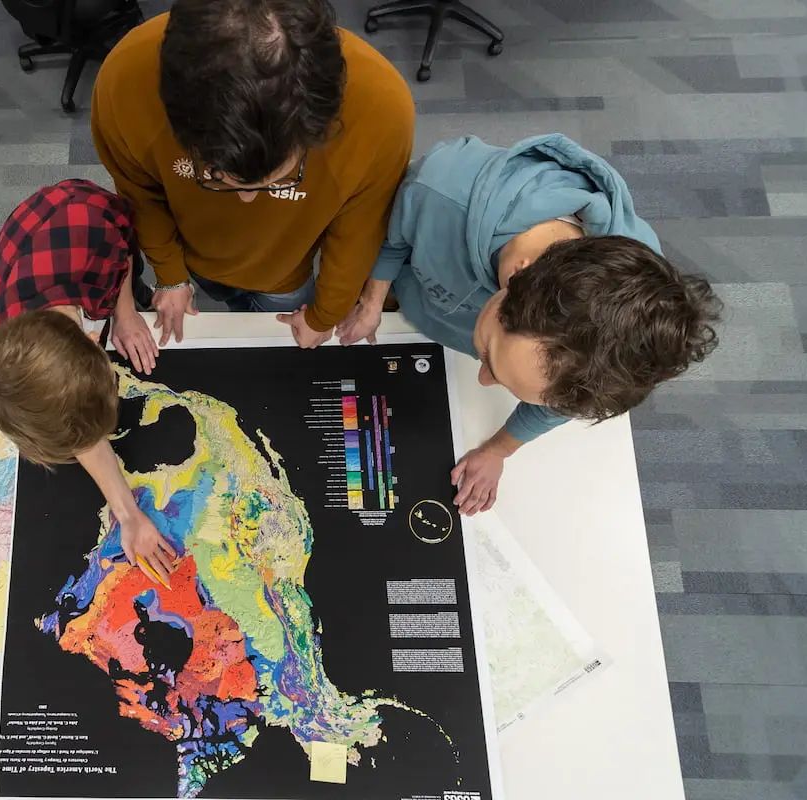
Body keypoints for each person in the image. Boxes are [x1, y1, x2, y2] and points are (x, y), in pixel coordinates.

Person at [336, 134, 722, 516]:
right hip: (405, 285)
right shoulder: (440, 190)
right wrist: (373, 300)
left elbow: (560, 402)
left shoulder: (628, 336)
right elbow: (393, 236)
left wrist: (498, 449)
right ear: (517, 277)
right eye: (487, 354)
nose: (483, 379)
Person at [90, 0, 414, 349]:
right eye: (218, 177)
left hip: (285, 276)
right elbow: (139, 194)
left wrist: (326, 313)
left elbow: (359, 230)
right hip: (196, 256)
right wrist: (169, 275)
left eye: (276, 180)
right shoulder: (122, 85)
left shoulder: (383, 111)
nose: (246, 200)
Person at [0, 179, 175, 584]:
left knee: (128, 274)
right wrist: (127, 514)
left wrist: (126, 312)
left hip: (80, 222)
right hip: (48, 255)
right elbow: (70, 422)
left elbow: (122, 255)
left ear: (94, 340)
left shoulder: (91, 233)